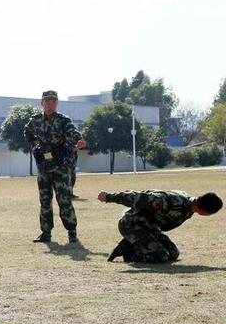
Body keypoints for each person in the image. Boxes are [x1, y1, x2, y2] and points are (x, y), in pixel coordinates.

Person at [24, 90, 86, 244]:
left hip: (60, 167)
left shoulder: (63, 121)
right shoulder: (35, 120)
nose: (51, 103)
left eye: (54, 101)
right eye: (48, 100)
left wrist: (75, 144)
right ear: (42, 102)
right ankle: (46, 233)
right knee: (45, 200)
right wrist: (35, 147)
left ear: (57, 102)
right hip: (44, 167)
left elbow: (74, 134)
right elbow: (27, 132)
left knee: (64, 200)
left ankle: (72, 233)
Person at [99, 190, 222, 263]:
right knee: (160, 256)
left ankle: (133, 244)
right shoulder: (173, 201)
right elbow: (138, 197)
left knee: (173, 254)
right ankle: (128, 250)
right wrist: (109, 197)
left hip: (149, 227)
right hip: (132, 224)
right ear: (205, 211)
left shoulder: (190, 208)